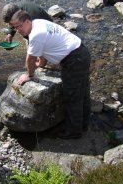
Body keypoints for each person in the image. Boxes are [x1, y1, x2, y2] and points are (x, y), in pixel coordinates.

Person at [10, 10, 91, 139]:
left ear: (27, 21)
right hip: (81, 51)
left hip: (74, 60)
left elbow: (30, 59)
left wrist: (30, 75)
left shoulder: (36, 34)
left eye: (20, 26)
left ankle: (74, 132)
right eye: (15, 27)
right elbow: (44, 49)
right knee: (82, 92)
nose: (18, 30)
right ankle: (84, 124)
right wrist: (41, 63)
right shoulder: (38, 23)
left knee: (72, 97)